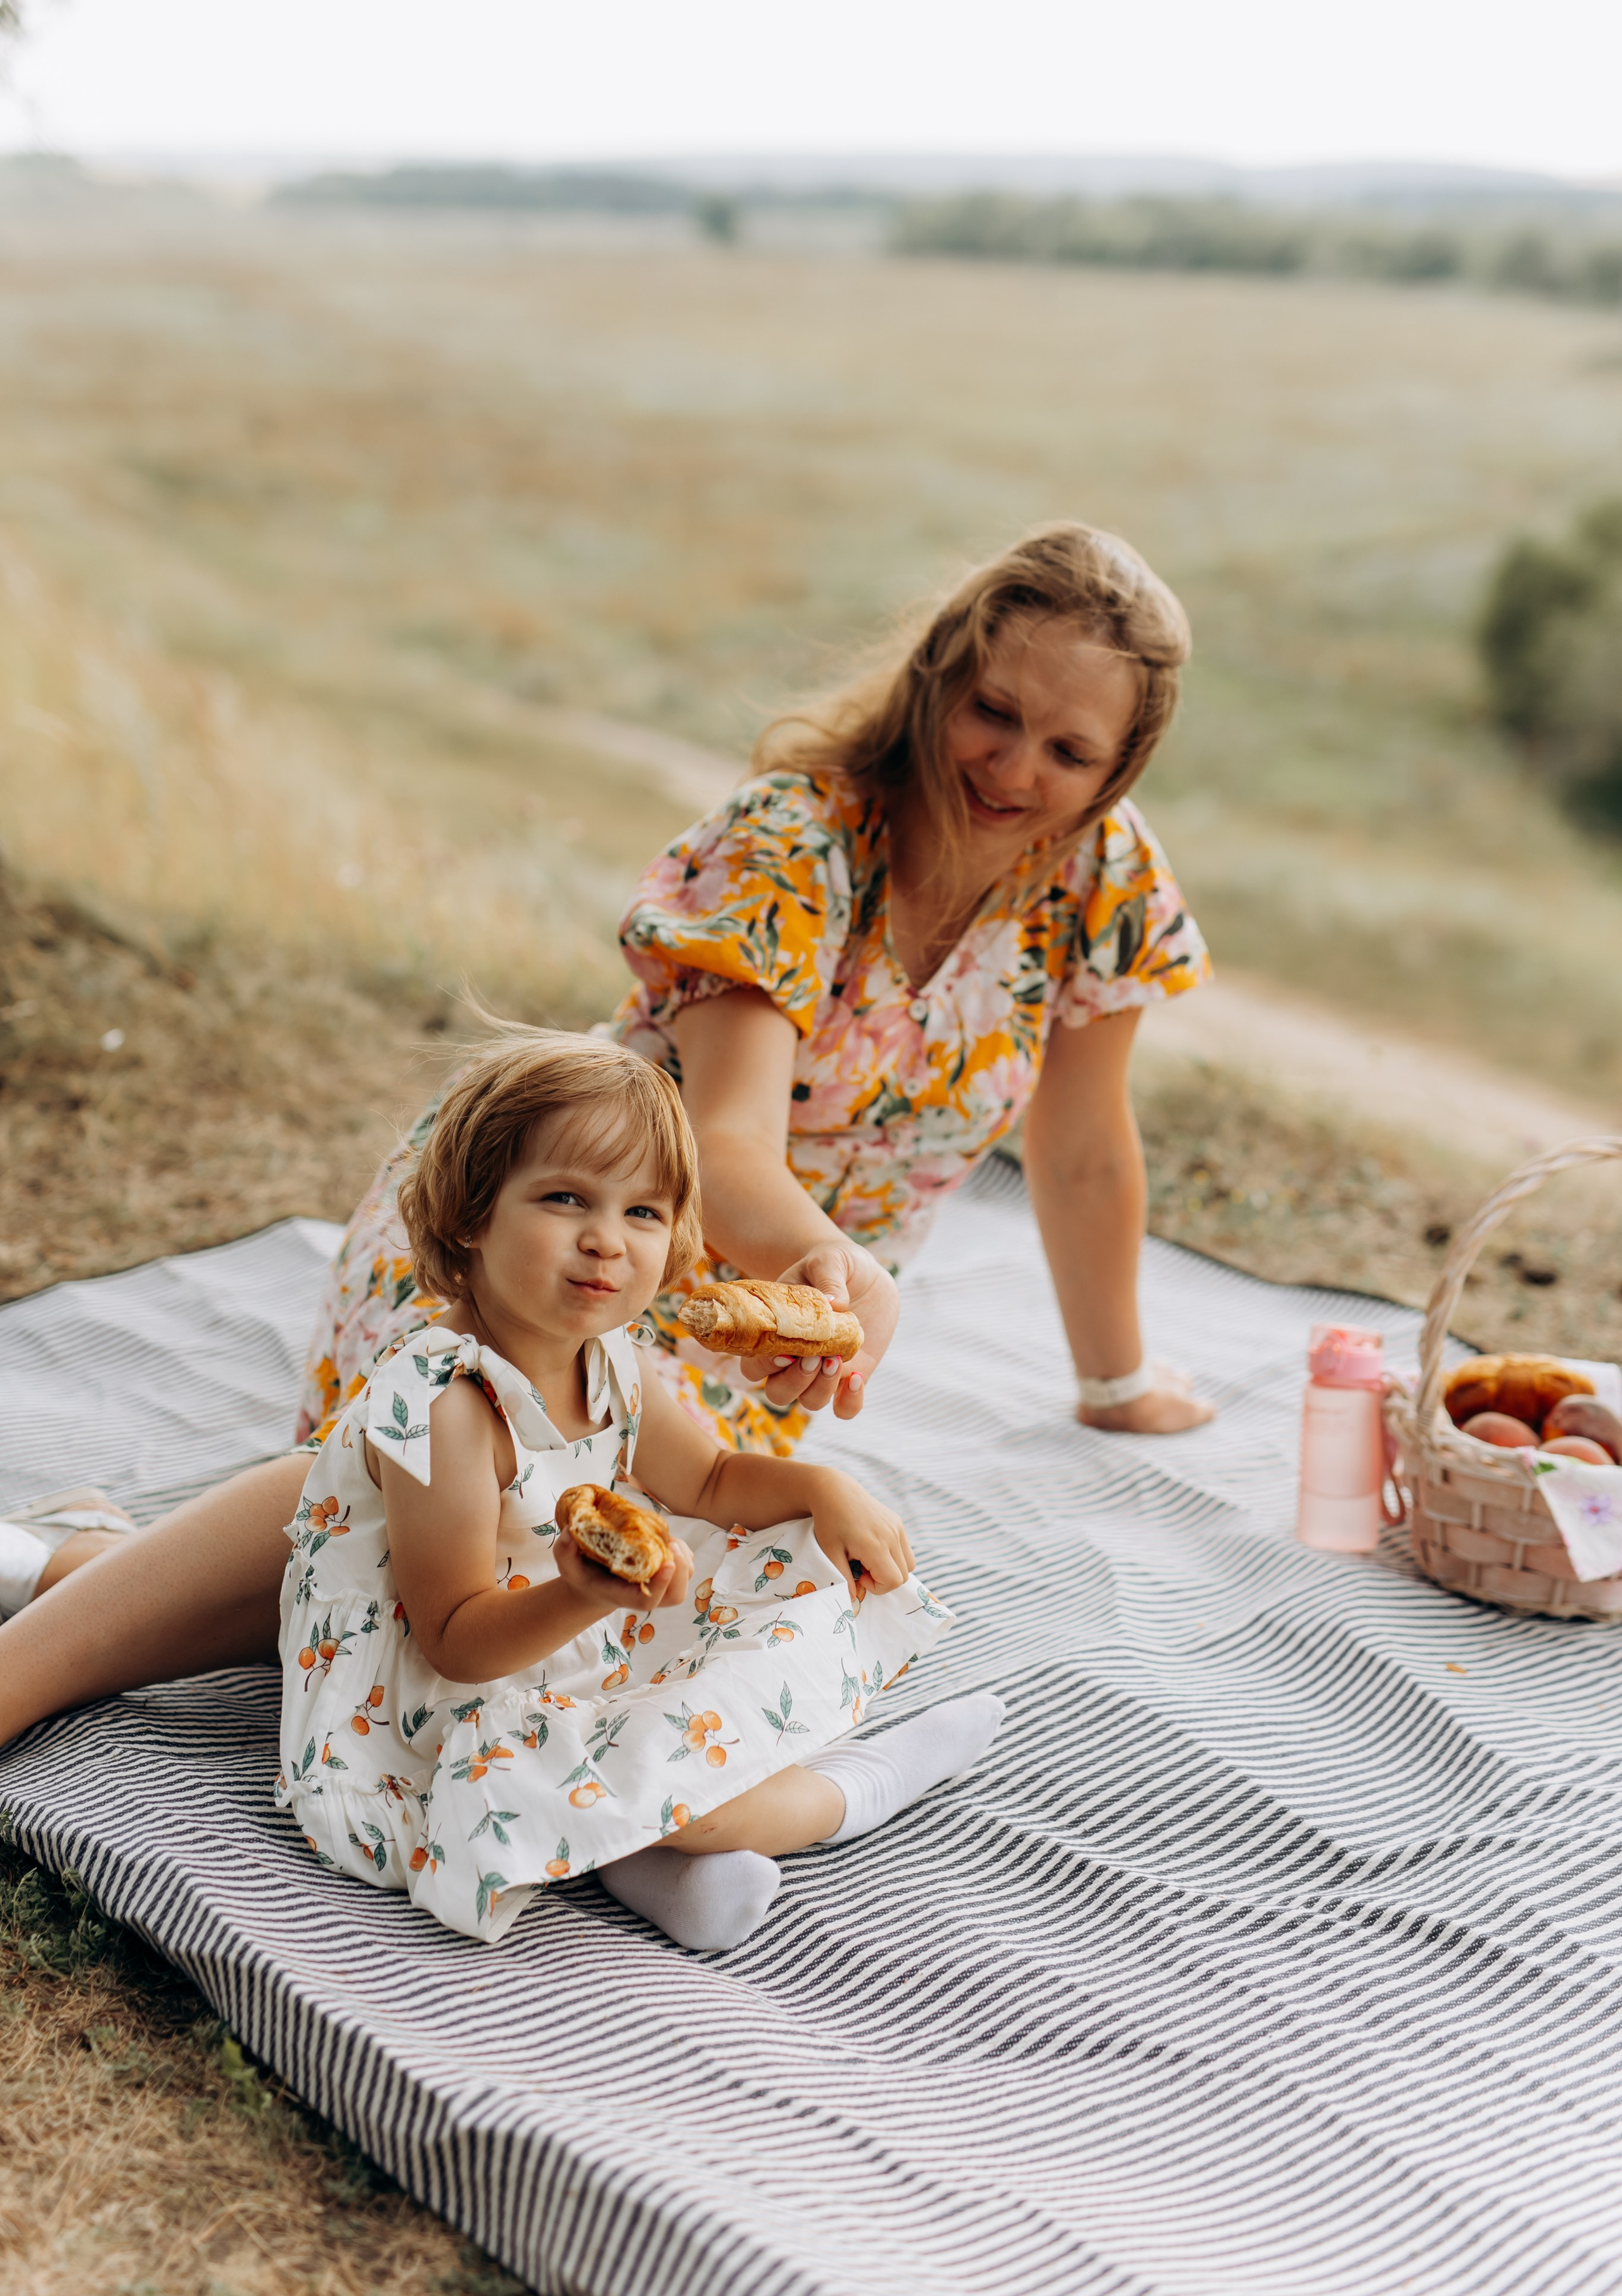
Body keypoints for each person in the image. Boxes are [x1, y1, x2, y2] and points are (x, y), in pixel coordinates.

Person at [0, 518, 1211, 1745]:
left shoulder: (1101, 881)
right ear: (938, 675)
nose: (1014, 767)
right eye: (993, 712)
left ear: (1121, 766)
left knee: (609, 1588)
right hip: (562, 1222)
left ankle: (80, 1567)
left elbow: (1083, 1148)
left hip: (752, 1338)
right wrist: (826, 1271)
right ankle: (32, 1665)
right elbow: (724, 1142)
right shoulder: (797, 841)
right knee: (451, 1453)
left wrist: (1110, 1382)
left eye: (1068, 750)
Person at [283, 1030, 990, 1947]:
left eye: (644, 1213)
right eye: (565, 1198)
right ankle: (857, 1789)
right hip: (450, 1698)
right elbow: (454, 1640)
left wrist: (821, 1489)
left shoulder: (609, 1358)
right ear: (471, 1213)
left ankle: (649, 1870)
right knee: (674, 1795)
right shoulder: (448, 1406)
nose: (605, 1241)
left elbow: (708, 1480)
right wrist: (581, 1594)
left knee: (780, 1583)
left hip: (567, 1642)